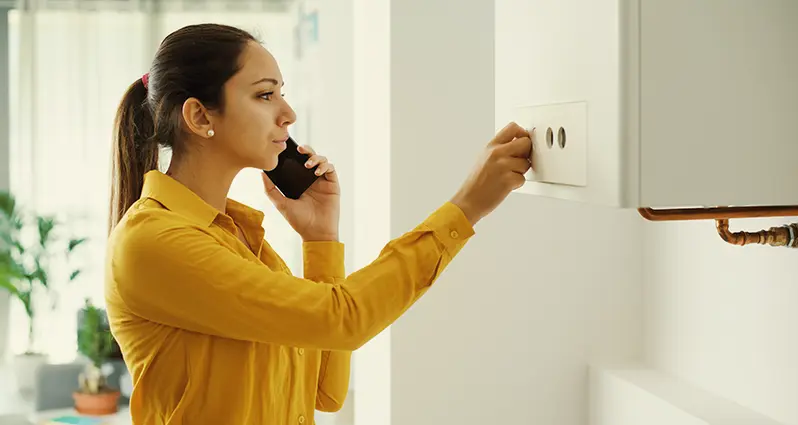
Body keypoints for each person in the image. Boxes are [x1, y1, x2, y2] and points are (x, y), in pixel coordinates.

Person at [105, 23, 532, 424]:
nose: (288, 114)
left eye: (281, 94)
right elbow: (341, 321)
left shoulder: (239, 238)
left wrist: (321, 238)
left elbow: (325, 393)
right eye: (265, 95)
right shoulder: (154, 242)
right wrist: (465, 208)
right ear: (199, 117)